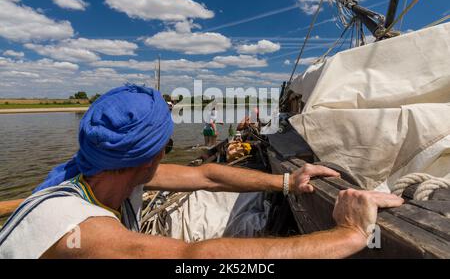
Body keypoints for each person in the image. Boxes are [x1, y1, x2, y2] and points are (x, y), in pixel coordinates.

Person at [0, 85, 403, 259]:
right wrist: (348, 234)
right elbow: (194, 255)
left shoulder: (98, 173)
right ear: (149, 158)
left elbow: (207, 176)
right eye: (167, 146)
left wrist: (287, 181)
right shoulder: (84, 232)